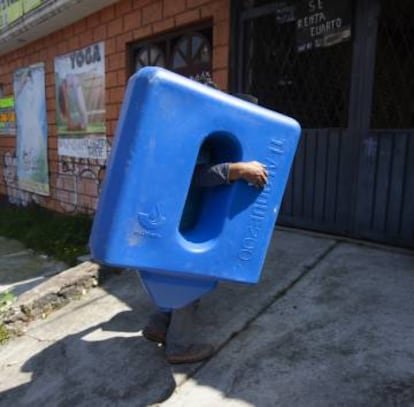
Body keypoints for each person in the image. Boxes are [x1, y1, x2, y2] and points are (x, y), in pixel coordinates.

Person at [143, 73, 268, 364]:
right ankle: (179, 346)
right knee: (191, 278)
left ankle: (160, 322)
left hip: (168, 218)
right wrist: (238, 169)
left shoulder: (173, 124)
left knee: (172, 275)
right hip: (182, 220)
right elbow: (196, 175)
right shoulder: (193, 132)